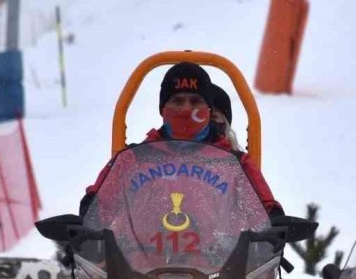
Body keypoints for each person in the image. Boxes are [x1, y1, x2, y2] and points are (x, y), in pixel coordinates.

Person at [79, 62, 281, 217]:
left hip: (219, 266)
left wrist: (274, 221)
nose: (185, 109)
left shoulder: (236, 164)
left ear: (208, 110)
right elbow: (100, 205)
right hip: (140, 264)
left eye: (195, 101)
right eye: (177, 101)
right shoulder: (133, 159)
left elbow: (262, 210)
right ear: (162, 109)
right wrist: (87, 220)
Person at [208, 83, 244, 153]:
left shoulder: (237, 160)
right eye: (199, 116)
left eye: (212, 117)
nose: (205, 123)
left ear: (225, 123)